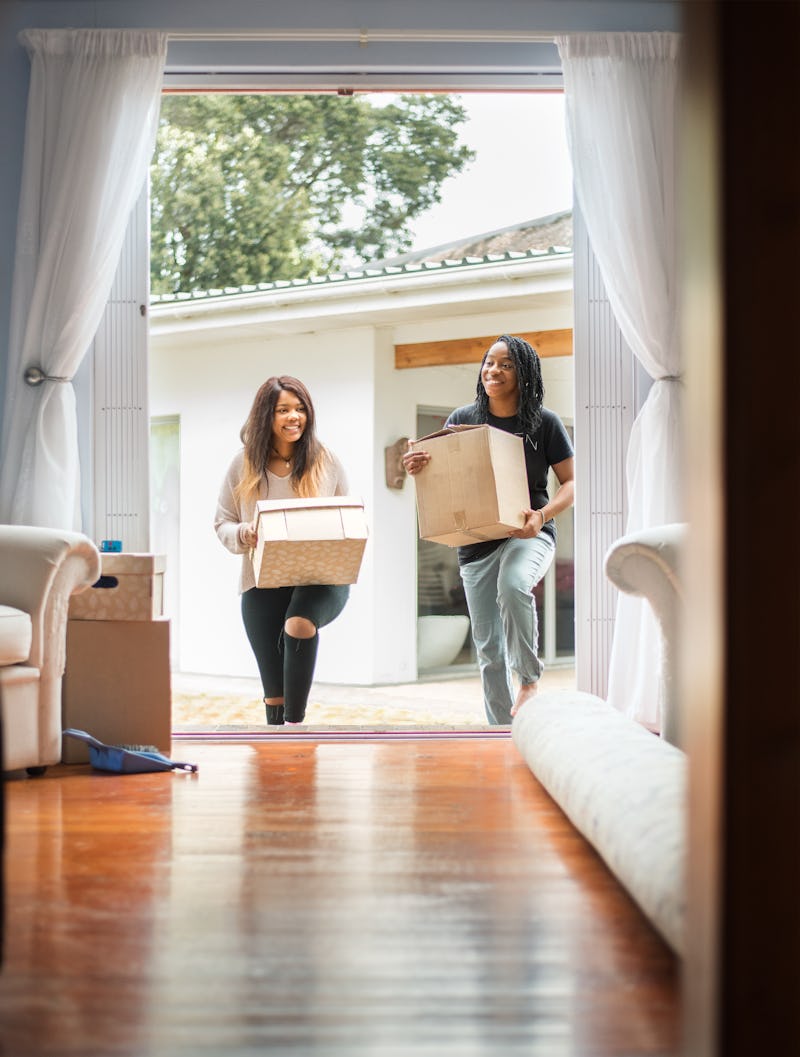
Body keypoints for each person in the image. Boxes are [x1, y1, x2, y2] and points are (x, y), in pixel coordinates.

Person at [403, 335, 575, 725]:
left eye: (506, 364)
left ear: (524, 373)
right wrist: (418, 466)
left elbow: (571, 483)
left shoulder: (543, 423)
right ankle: (501, 731)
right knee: (488, 649)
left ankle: (530, 679)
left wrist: (543, 515)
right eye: (489, 363)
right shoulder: (463, 419)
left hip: (527, 533)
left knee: (514, 584)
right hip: (476, 543)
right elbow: (445, 473)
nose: (493, 371)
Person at [214, 376, 350, 726]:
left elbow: (347, 515)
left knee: (299, 623)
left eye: (300, 409)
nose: (294, 417)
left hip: (320, 578)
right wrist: (242, 532)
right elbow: (222, 522)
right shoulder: (242, 464)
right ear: (266, 417)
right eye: (283, 410)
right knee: (274, 693)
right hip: (261, 581)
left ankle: (296, 729)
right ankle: (279, 752)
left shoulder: (325, 460)